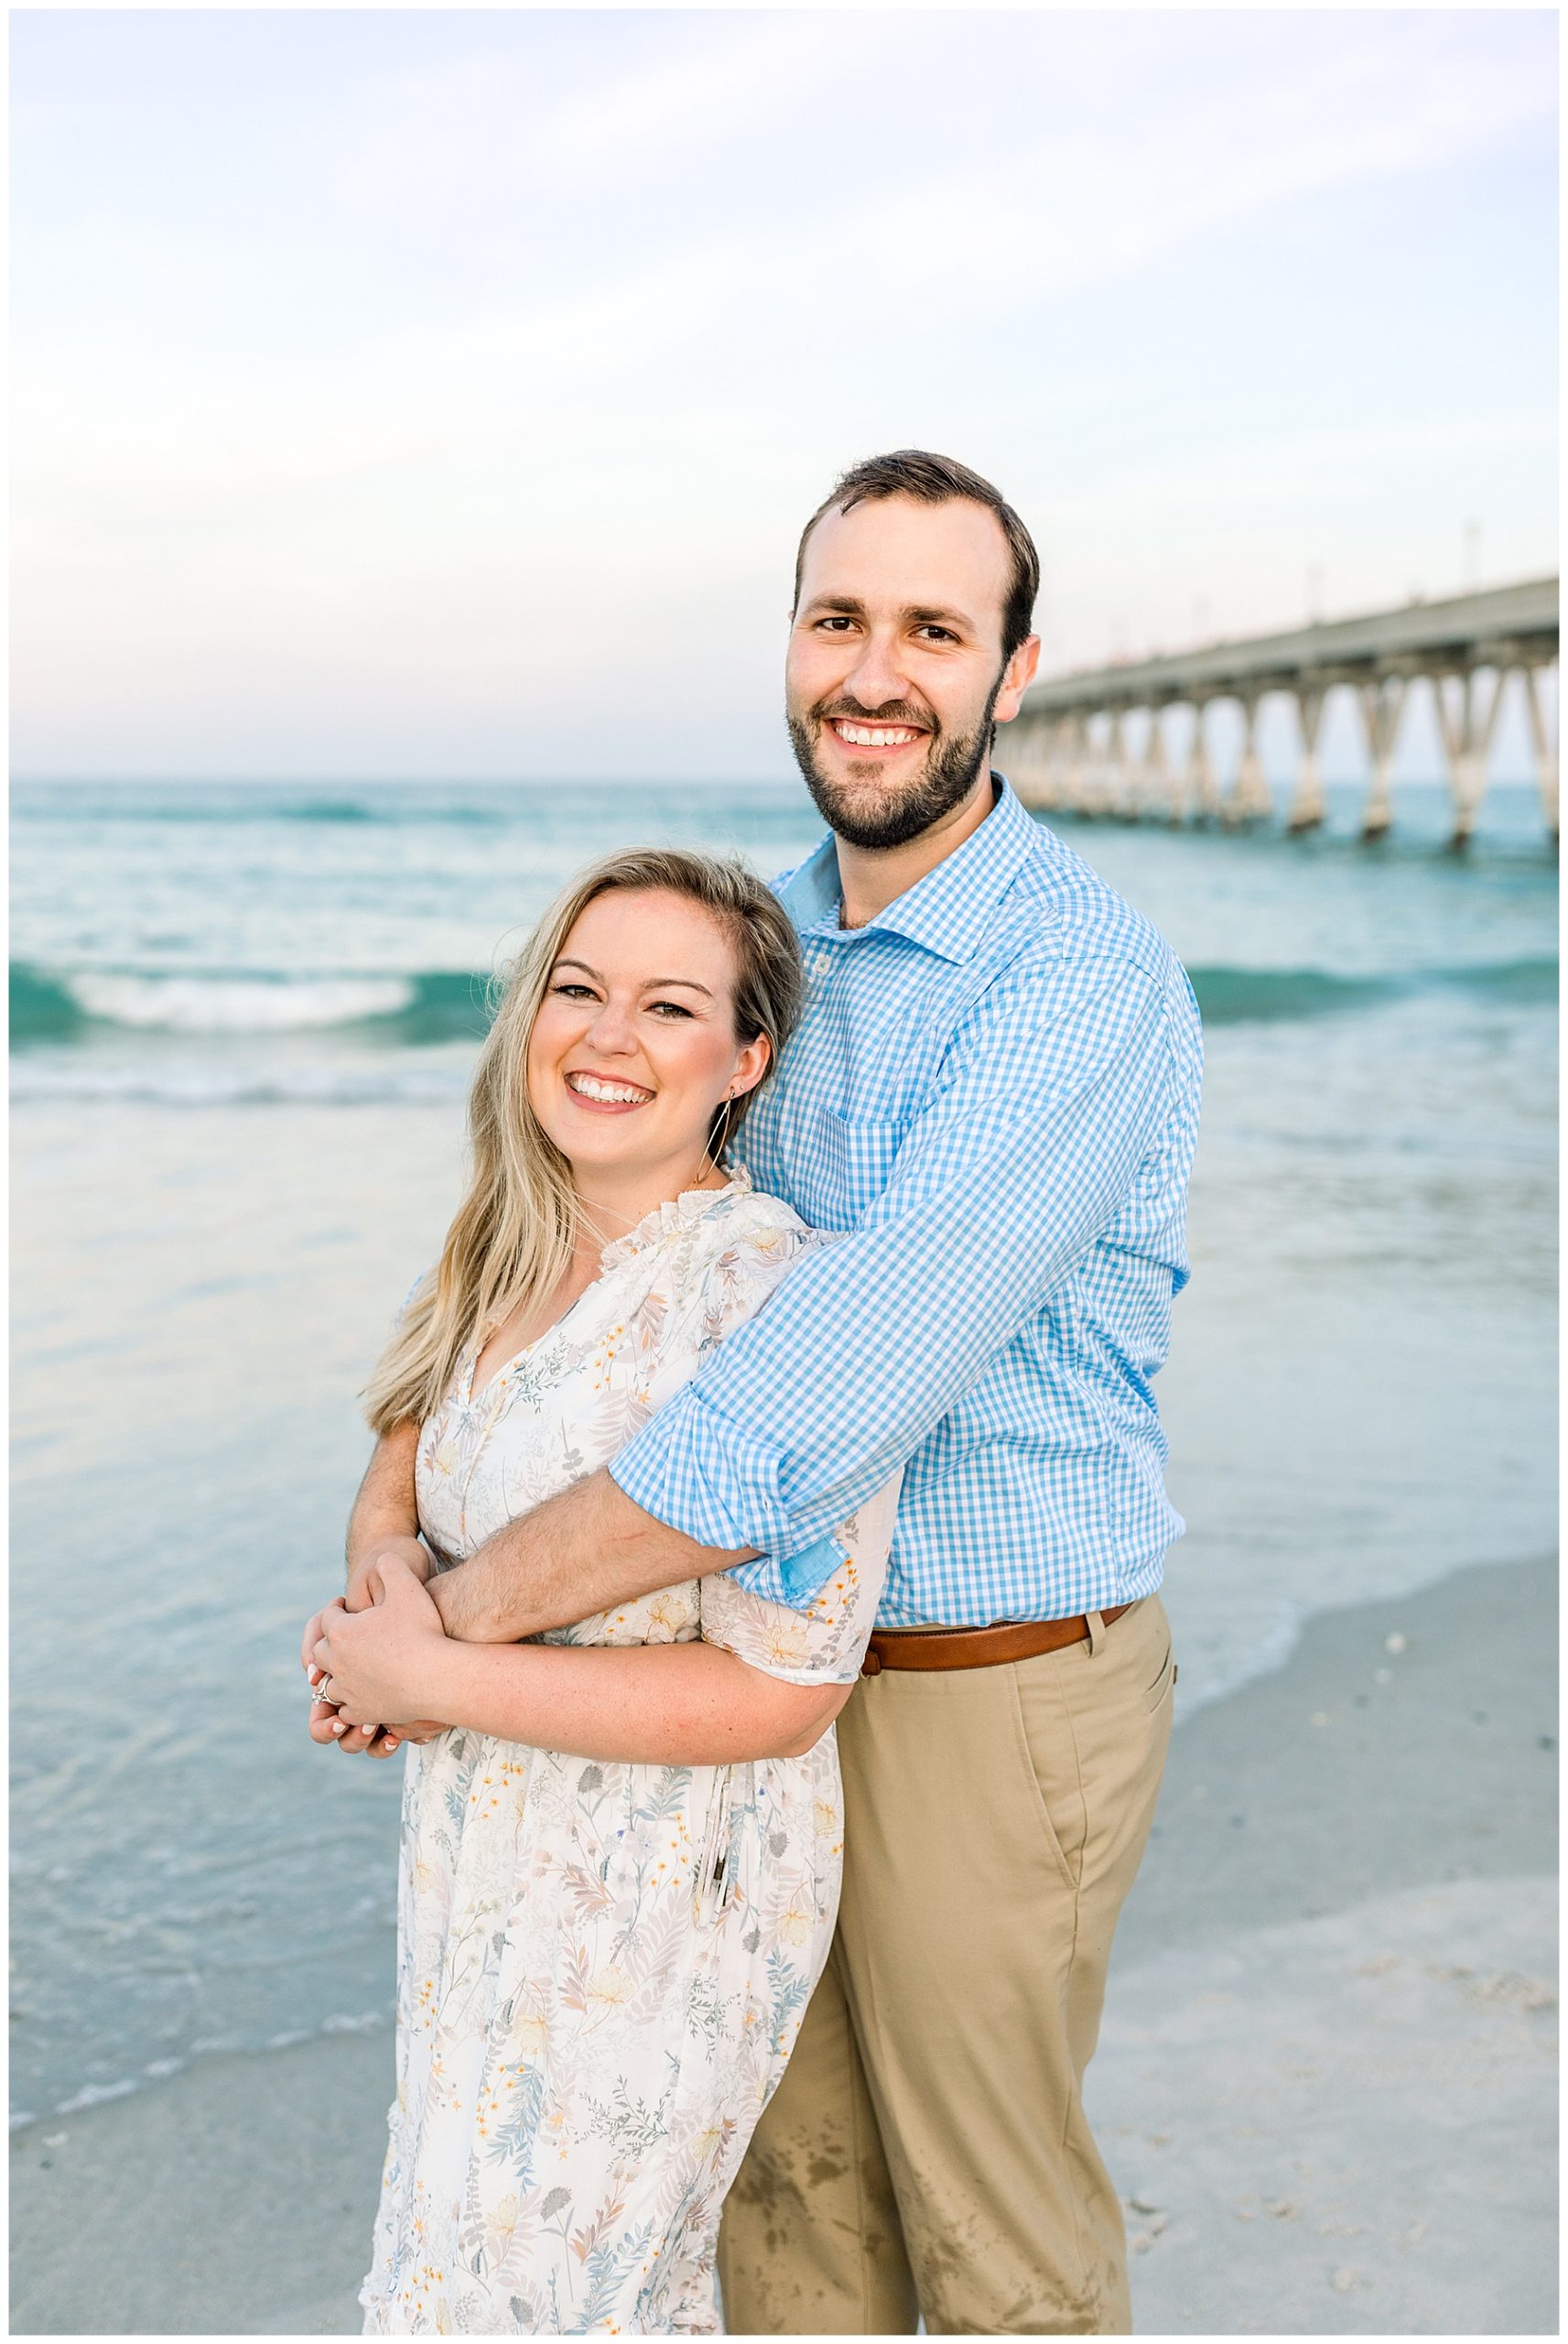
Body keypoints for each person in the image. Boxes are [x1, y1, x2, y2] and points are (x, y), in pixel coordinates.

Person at [315, 449, 1204, 2335]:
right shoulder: (752, 952)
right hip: (714, 1713)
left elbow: (820, 1385)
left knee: (986, 2232)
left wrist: (445, 1633)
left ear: (1012, 674)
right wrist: (393, 1520)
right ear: (790, 644)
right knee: (774, 2218)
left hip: (981, 1673)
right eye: (837, 618)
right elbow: (542, 1230)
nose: (874, 670)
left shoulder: (1071, 973)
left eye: (932, 630)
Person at [302, 849, 900, 2335]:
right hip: (480, 1857)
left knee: (564, 2298)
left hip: (661, 1894)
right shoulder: (502, 1245)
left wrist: (426, 1677)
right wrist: (388, 1595)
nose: (607, 1036)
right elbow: (402, 1460)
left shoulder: (777, 1303)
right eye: (577, 989)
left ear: (744, 1058)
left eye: (668, 1004)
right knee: (453, 2269)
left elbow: (781, 1694)